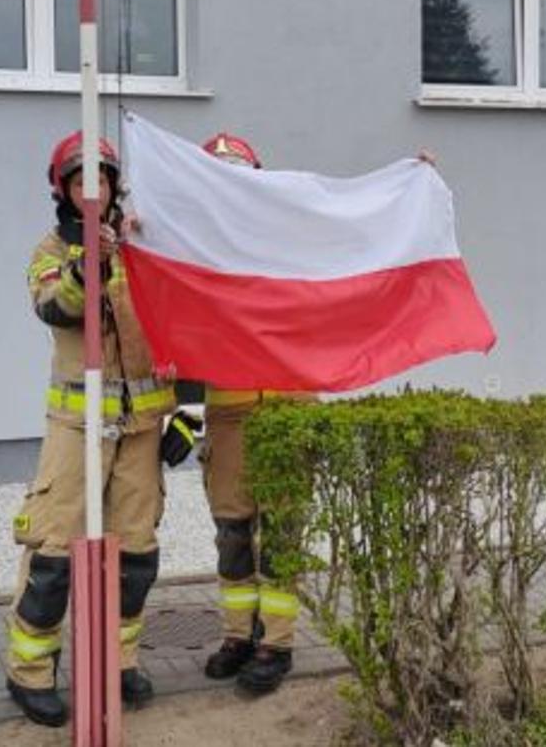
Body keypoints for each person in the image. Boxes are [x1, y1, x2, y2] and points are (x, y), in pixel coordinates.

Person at [3, 132, 175, 727]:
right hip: (77, 428)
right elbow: (56, 308)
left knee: (136, 555)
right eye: (81, 181)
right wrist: (88, 264)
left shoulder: (142, 245)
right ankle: (30, 672)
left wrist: (186, 413)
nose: (92, 189)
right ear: (64, 189)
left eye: (101, 178)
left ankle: (117, 662)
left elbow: (183, 324)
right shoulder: (51, 249)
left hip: (142, 425)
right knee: (53, 555)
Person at [189, 132, 314, 694]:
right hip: (229, 416)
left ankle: (277, 643)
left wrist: (406, 183)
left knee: (282, 534)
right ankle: (238, 635)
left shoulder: (287, 244)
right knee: (233, 535)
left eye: (238, 175)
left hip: (288, 411)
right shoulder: (191, 252)